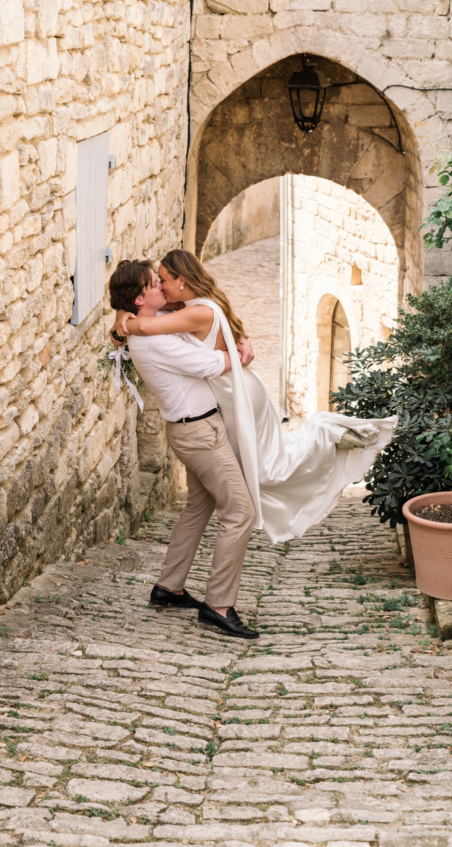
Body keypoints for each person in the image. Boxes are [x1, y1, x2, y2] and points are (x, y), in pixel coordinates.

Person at [114, 248, 402, 547]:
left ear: (182, 281)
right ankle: (169, 588)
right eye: (156, 283)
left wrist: (125, 321)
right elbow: (152, 316)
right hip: (235, 386)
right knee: (257, 464)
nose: (160, 287)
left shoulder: (193, 311)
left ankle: (326, 433)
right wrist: (122, 311)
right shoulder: (185, 307)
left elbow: (145, 325)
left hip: (234, 388)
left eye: (162, 280)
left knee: (266, 467)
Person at [107, 259, 260, 640]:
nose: (163, 286)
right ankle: (218, 605)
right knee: (240, 511)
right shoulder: (154, 341)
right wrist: (239, 354)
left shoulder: (149, 325)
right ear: (142, 297)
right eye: (155, 283)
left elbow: (155, 312)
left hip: (192, 430)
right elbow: (211, 364)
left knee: (198, 506)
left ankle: (169, 587)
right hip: (200, 435)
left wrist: (123, 315)